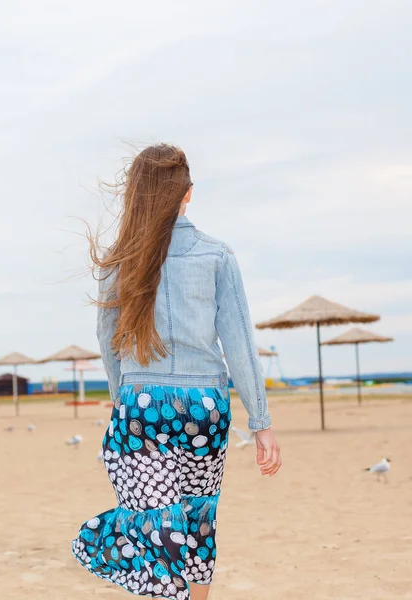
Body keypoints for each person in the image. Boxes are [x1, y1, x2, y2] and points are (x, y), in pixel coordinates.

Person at [72, 144, 281, 600]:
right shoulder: (217, 255)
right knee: (197, 521)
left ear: (137, 196)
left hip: (142, 406)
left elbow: (110, 344)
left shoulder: (119, 259)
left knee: (156, 532)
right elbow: (240, 346)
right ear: (188, 194)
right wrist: (260, 423)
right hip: (206, 407)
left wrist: (122, 397)